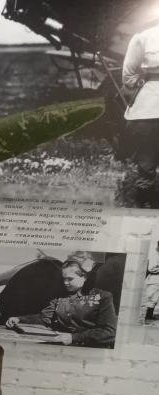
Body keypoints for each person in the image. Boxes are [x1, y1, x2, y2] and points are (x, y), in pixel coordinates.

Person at [5, 260, 118, 348]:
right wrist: (19, 319)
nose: (65, 283)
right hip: (61, 345)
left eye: (70, 279)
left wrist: (74, 338)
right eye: (64, 279)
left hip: (89, 347)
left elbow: (109, 331)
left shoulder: (103, 297)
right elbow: (44, 318)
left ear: (84, 277)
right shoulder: (60, 297)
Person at [116, 23, 159, 208]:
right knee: (146, 168)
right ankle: (143, 212)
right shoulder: (145, 37)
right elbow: (129, 76)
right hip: (149, 111)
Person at [146, 241, 159, 322]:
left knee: (155, 298)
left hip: (156, 280)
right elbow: (151, 268)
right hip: (154, 280)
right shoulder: (154, 255)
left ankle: (149, 315)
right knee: (153, 298)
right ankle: (148, 316)